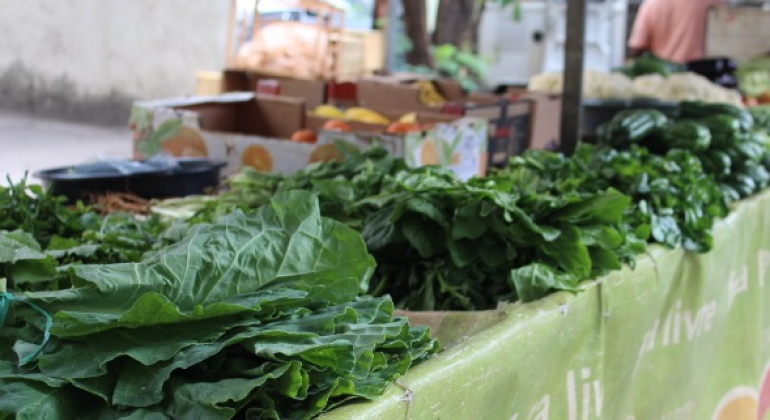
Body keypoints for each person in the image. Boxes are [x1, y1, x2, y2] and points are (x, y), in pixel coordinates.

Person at [628, 0, 723, 63]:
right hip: (705, 79)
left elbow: (637, 50)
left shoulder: (651, 3)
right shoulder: (717, 3)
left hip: (663, 79)